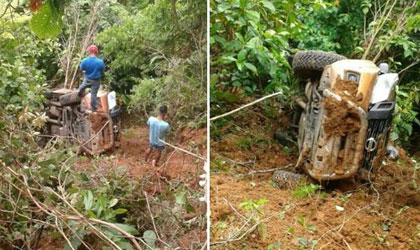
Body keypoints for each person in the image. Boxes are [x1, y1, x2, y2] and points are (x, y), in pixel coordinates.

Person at [77, 45, 105, 112]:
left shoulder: (84, 61)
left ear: (89, 51)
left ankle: (80, 93)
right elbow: (103, 70)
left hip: (87, 79)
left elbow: (81, 69)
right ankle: (93, 109)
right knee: (93, 94)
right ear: (96, 52)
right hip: (96, 80)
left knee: (81, 88)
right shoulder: (100, 62)